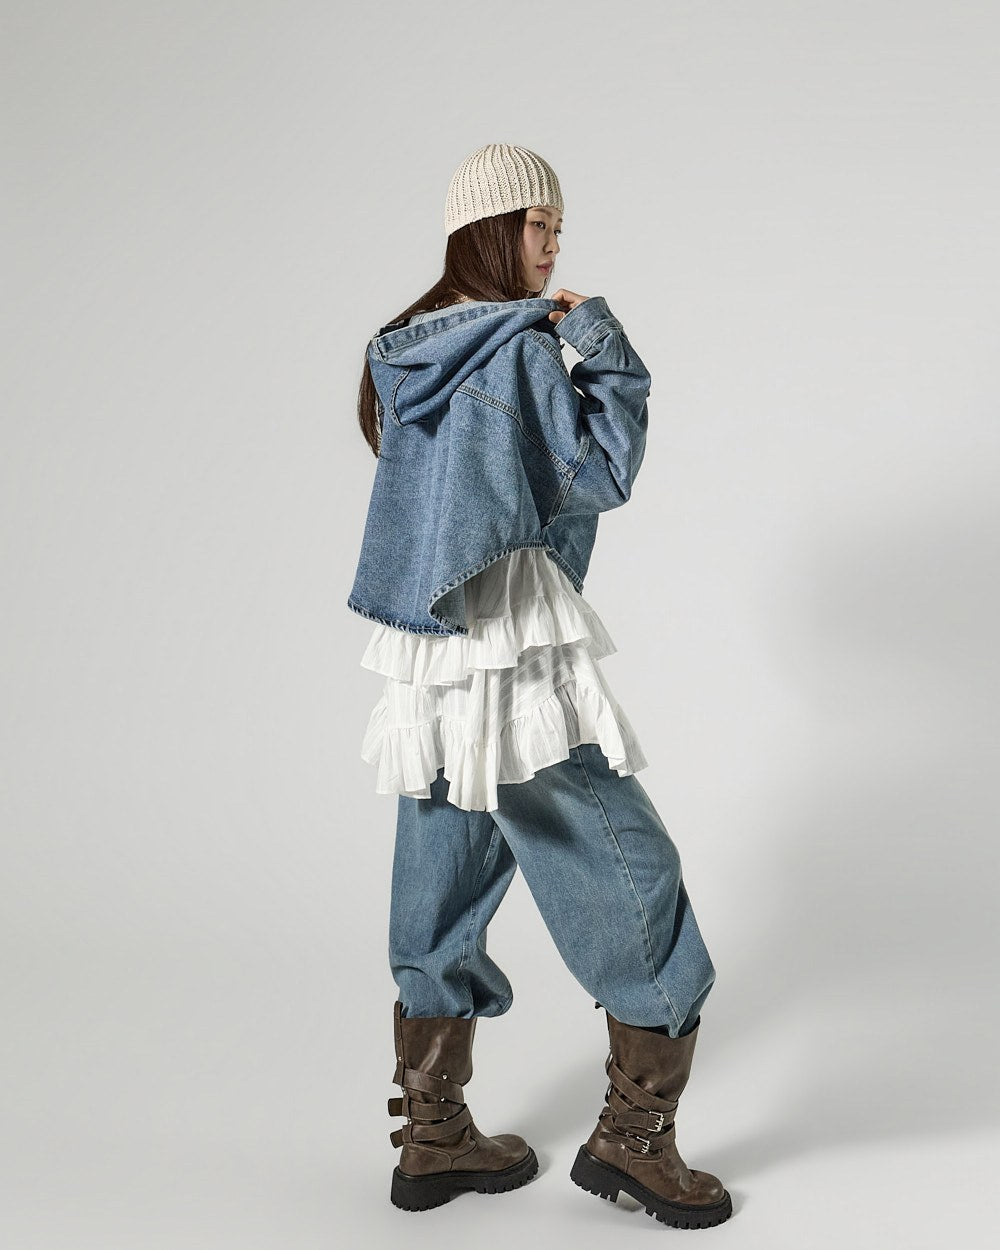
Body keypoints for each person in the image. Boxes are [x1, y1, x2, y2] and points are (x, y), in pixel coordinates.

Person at [347, 143, 733, 1229]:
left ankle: (433, 1137)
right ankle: (634, 1142)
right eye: (537, 224)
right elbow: (597, 474)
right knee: (632, 872)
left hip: (435, 660)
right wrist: (601, 343)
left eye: (558, 227)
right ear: (488, 231)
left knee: (442, 880)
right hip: (513, 655)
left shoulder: (410, 351)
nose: (553, 245)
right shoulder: (515, 349)